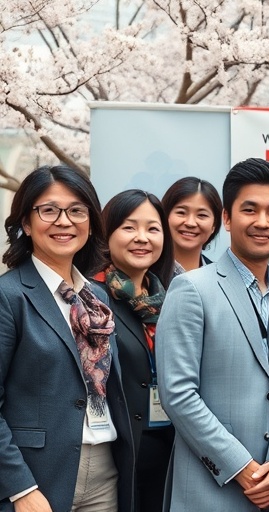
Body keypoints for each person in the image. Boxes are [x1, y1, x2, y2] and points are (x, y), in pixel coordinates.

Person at [156, 158, 269, 512]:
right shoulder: (190, 289)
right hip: (209, 491)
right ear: (227, 218)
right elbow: (178, 394)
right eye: (249, 210)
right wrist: (241, 468)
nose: (262, 222)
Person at [0, 165, 134, 512]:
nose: (64, 221)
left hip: (106, 471)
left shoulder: (98, 298)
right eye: (49, 210)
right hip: (37, 476)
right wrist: (19, 487)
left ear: (90, 223)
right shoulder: (9, 296)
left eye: (77, 210)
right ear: (26, 224)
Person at [92, 189, 176, 511]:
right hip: (115, 459)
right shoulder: (90, 298)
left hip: (168, 453)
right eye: (129, 227)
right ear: (106, 233)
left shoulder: (170, 299)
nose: (142, 238)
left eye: (153, 229)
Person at [161, 176, 223, 273]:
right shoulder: (146, 276)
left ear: (214, 225)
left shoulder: (221, 279)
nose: (190, 223)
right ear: (165, 216)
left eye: (202, 215)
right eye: (181, 212)